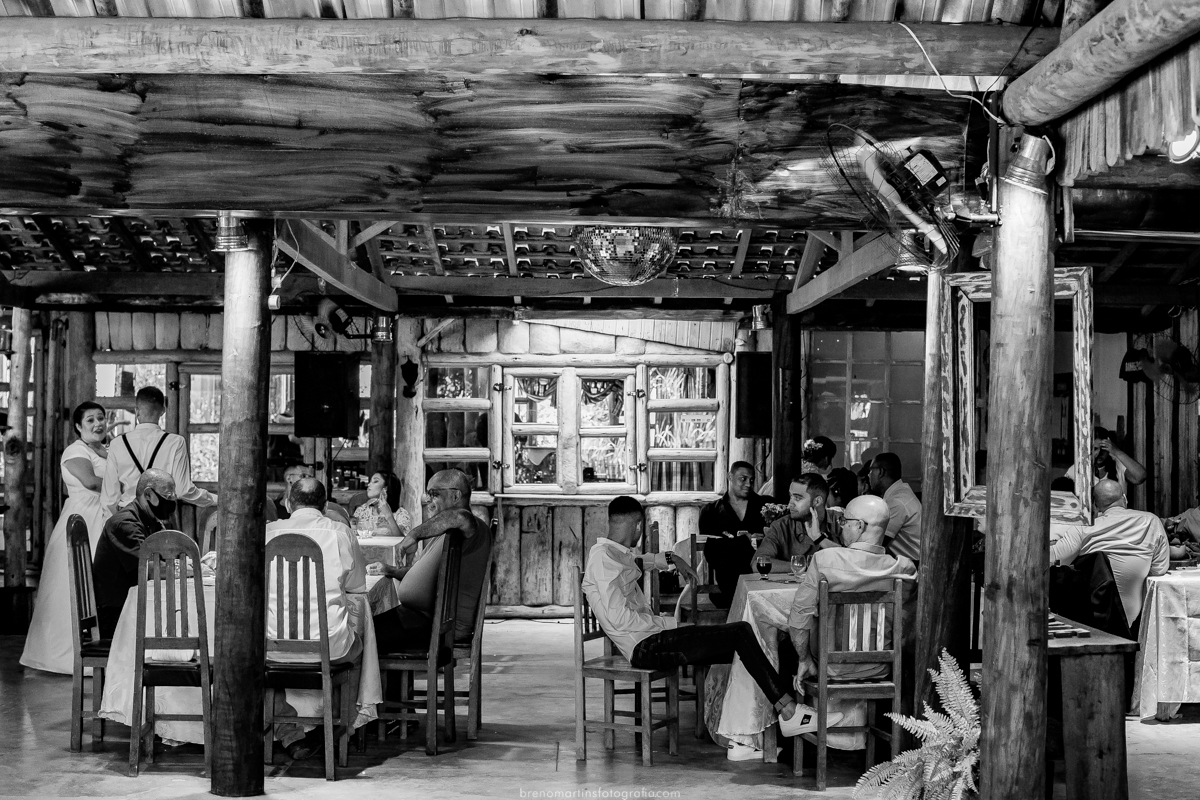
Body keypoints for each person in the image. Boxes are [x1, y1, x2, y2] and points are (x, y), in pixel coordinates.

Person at [583, 495, 839, 760]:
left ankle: (743, 742)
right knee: (740, 632)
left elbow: (641, 561)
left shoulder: (615, 554)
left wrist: (672, 558)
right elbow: (619, 621)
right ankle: (788, 711)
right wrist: (671, 624)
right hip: (646, 646)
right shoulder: (603, 560)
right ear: (638, 526)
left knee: (755, 644)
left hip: (654, 638)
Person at [265, 477, 368, 759]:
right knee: (360, 644)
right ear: (324, 505)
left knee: (253, 658)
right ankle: (344, 728)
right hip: (330, 646)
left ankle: (289, 731)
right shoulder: (339, 532)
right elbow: (357, 586)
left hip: (274, 647)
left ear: (287, 503)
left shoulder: (267, 533)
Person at [788, 494, 917, 683]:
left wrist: (804, 659)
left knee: (784, 640)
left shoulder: (825, 560)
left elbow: (799, 616)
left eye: (844, 520)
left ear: (860, 526)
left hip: (830, 668)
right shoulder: (905, 569)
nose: (841, 525)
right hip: (880, 668)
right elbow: (906, 624)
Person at [21, 402, 110, 673]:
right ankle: (59, 655)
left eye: (101, 418)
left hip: (104, 519)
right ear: (78, 427)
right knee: (71, 585)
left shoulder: (108, 449)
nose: (98, 424)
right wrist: (130, 485)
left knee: (98, 585)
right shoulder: (75, 451)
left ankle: (97, 650)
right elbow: (92, 482)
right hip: (82, 520)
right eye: (91, 420)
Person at [370, 469, 493, 654]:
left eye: (434, 494)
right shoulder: (448, 533)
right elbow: (425, 574)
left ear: (455, 495)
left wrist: (413, 535)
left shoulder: (470, 527)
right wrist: (392, 571)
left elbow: (460, 516)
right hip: (424, 618)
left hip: (440, 626)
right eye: (428, 494)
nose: (428, 499)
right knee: (367, 624)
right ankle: (396, 684)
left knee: (363, 633)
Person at [1050, 479, 1169, 628]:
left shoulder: (1085, 527)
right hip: (1135, 622)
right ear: (1124, 498)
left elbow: (1055, 559)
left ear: (1095, 504)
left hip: (1090, 620)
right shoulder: (1151, 522)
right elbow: (1159, 570)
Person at [100, 386, 215, 518]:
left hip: (127, 515)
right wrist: (214, 499)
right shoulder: (176, 442)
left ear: (137, 411)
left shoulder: (117, 444)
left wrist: (112, 526)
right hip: (161, 517)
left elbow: (109, 497)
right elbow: (183, 490)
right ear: (163, 411)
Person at [91, 469, 176, 639]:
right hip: (115, 614)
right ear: (149, 494)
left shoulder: (150, 520)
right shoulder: (125, 523)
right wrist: (195, 570)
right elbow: (152, 570)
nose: (172, 501)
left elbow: (166, 557)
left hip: (133, 606)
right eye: (168, 497)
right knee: (174, 625)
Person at [698, 461, 767, 609]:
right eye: (743, 478)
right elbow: (711, 552)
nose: (748, 484)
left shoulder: (766, 506)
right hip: (727, 577)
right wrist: (745, 540)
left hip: (762, 574)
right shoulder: (710, 511)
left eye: (752, 480)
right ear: (730, 476)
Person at [754, 473, 842, 575]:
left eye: (797, 498)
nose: (790, 504)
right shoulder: (781, 526)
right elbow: (758, 563)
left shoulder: (841, 521)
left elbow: (855, 560)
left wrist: (819, 538)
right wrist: (803, 566)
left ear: (817, 501)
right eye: (790, 496)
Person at [868, 453, 922, 565]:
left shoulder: (897, 502)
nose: (869, 475)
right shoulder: (898, 493)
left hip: (914, 566)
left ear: (881, 472)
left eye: (871, 470)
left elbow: (875, 544)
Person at [1064, 426, 1147, 496]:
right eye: (1095, 449)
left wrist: (1117, 452)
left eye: (1104, 449)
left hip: (1116, 515)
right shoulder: (1077, 468)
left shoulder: (1118, 465)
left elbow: (1140, 476)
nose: (1099, 453)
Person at [352, 471, 412, 538]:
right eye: (370, 481)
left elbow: (403, 542)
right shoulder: (362, 510)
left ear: (386, 487)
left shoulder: (400, 514)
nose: (369, 484)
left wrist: (389, 515)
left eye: (375, 481)